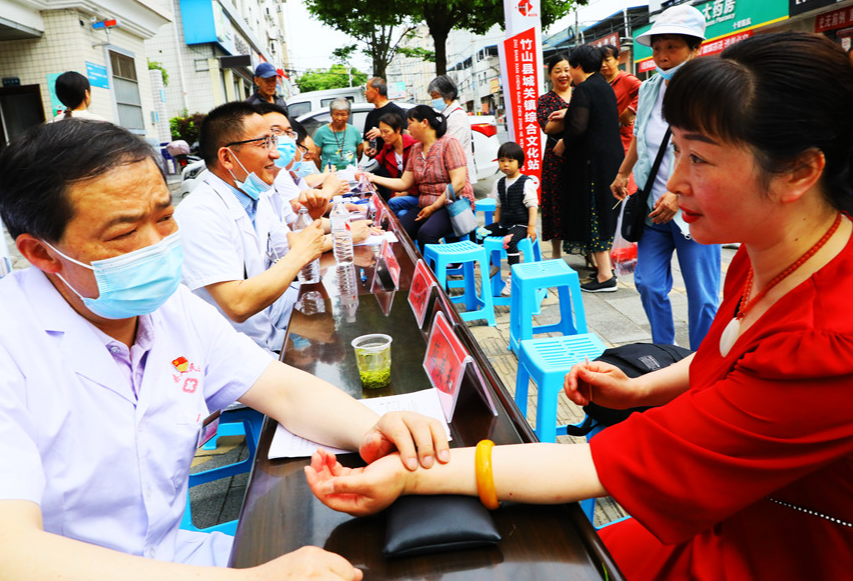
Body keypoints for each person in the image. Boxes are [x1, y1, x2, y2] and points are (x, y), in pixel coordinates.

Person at [305, 31, 853, 581]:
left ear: (799, 173)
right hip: (728, 521)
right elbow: (727, 350)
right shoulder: (772, 252)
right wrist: (642, 388)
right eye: (677, 152)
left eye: (701, 159)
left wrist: (414, 476)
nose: (674, 183)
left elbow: (604, 462)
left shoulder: (828, 342)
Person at [0, 118, 451, 579]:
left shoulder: (169, 308)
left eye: (163, 217)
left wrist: (375, 430)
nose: (158, 245)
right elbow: (12, 551)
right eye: (123, 234)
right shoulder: (11, 346)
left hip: (179, 558)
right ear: (41, 253)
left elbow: (281, 389)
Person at [174, 102, 325, 355]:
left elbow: (288, 244)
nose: (276, 154)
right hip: (231, 354)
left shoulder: (255, 196)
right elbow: (238, 304)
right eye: (264, 143)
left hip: (270, 328)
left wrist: (314, 223)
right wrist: (302, 252)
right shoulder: (199, 213)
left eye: (273, 142)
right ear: (227, 157)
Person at [610, 4, 721, 349]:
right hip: (652, 208)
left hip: (694, 209)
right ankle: (665, 351)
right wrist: (623, 172)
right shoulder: (648, 89)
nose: (662, 55)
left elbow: (708, 151)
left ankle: (699, 362)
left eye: (672, 47)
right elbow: (643, 139)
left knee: (702, 294)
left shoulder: (709, 91)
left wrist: (679, 193)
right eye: (657, 48)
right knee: (647, 282)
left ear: (694, 48)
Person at [547, 45, 624, 293]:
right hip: (610, 160)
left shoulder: (584, 89)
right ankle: (606, 270)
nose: (569, 74)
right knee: (603, 212)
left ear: (578, 66)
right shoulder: (603, 86)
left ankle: (604, 275)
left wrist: (563, 143)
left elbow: (579, 127)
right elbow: (592, 116)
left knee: (594, 214)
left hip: (593, 163)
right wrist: (568, 113)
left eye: (570, 68)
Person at [367, 105, 474, 248]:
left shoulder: (449, 143)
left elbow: (458, 183)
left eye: (410, 123)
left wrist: (434, 207)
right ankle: (414, 266)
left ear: (424, 123)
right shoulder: (416, 149)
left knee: (427, 233)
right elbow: (404, 182)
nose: (408, 128)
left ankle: (442, 268)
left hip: (451, 204)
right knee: (399, 231)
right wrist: (372, 178)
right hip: (426, 204)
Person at [477, 142, 538, 297]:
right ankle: (492, 265)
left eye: (510, 161)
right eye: (502, 160)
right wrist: (496, 224)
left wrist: (531, 227)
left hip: (521, 224)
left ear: (519, 163)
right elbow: (498, 205)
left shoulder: (526, 182)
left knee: (509, 241)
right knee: (480, 233)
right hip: (504, 223)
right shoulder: (499, 182)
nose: (506, 164)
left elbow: (532, 206)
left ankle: (512, 278)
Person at [537, 53, 572, 261]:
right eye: (558, 70)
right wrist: (577, 114)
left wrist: (567, 115)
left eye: (567, 69)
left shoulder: (580, 94)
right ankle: (557, 254)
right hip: (554, 158)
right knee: (555, 204)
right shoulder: (545, 100)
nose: (563, 74)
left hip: (579, 156)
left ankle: (588, 254)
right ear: (550, 74)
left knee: (579, 203)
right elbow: (548, 127)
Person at [600, 44, 641, 183]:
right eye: (600, 61)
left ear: (617, 60)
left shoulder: (626, 79)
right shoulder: (602, 83)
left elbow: (646, 92)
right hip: (608, 139)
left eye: (607, 60)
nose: (603, 65)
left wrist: (630, 110)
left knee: (626, 178)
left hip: (626, 138)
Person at [427, 75, 476, 183]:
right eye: (432, 97)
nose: (434, 100)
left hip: (458, 174)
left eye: (436, 96)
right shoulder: (445, 113)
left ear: (448, 95)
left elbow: (451, 147)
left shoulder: (458, 116)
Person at [371, 112, 417, 205]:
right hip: (398, 192)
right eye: (381, 132)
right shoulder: (387, 146)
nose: (383, 136)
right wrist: (361, 170)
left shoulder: (414, 145)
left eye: (386, 131)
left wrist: (407, 192)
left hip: (416, 192)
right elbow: (377, 161)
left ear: (398, 129)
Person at [311, 98, 363, 170]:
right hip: (330, 176)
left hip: (351, 176)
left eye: (343, 114)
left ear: (349, 114)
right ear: (331, 114)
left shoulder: (354, 131)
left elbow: (359, 154)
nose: (339, 118)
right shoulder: (321, 132)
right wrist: (325, 172)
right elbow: (316, 157)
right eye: (336, 114)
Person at [362, 77, 408, 156]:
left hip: (392, 160)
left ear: (376, 90)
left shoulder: (396, 111)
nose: (365, 93)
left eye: (367, 89)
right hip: (376, 161)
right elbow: (366, 139)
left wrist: (382, 132)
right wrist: (367, 149)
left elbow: (406, 134)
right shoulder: (371, 115)